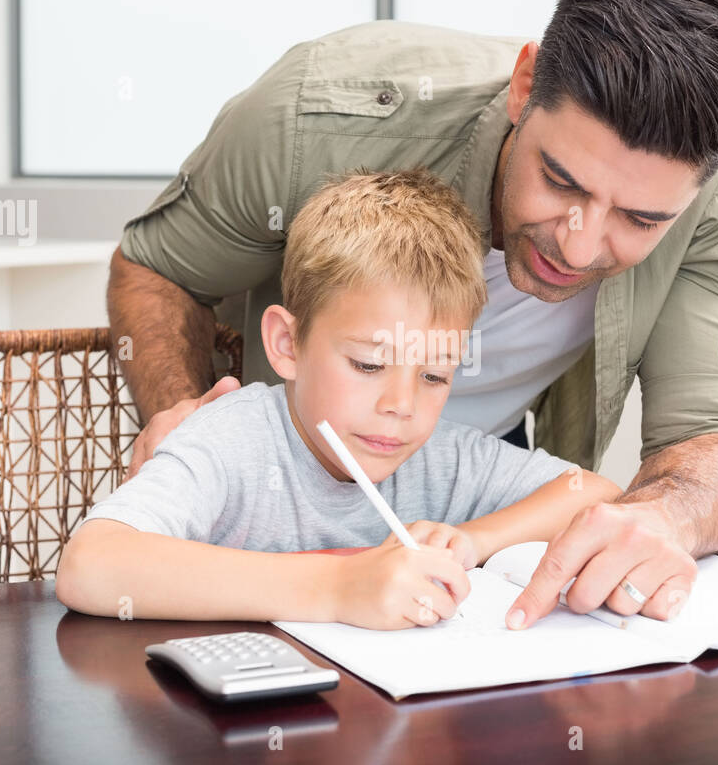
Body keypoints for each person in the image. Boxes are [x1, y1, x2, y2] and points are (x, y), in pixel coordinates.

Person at [107, 0, 718, 632]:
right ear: (524, 87)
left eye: (639, 220)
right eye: (561, 181)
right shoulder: (312, 115)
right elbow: (158, 267)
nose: (576, 248)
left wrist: (660, 518)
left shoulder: (717, 186)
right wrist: (183, 413)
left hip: (469, 504)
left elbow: (715, 434)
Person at [58, 169, 622, 630]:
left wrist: (473, 541)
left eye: (434, 376)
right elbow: (91, 563)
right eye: (369, 365)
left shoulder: (437, 456)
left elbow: (595, 495)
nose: (402, 405)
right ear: (287, 345)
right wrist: (338, 589)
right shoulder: (230, 442)